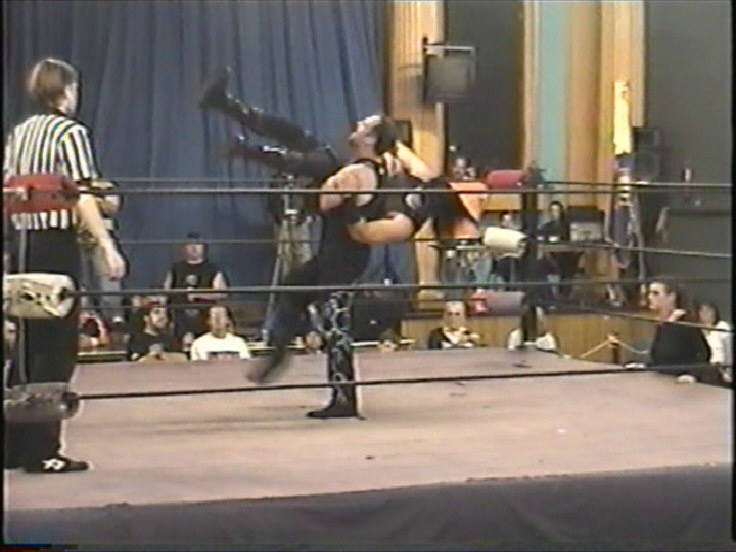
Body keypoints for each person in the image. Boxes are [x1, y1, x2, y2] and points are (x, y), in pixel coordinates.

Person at [3, 58, 126, 473]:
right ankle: (44, 450)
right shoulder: (69, 132)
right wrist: (107, 246)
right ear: (65, 90)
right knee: (56, 348)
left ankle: (14, 446)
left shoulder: (20, 132)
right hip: (55, 246)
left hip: (22, 245)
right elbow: (83, 194)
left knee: (27, 344)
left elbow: (12, 189)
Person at [163, 232, 228, 347]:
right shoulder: (176, 268)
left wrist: (198, 294)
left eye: (198, 244)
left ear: (203, 247)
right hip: (180, 317)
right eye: (190, 244)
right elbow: (166, 291)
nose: (194, 248)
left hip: (204, 317)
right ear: (184, 248)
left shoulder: (212, 268)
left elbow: (222, 293)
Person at [644, 279, 710, 381]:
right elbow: (660, 356)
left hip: (681, 383)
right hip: (663, 380)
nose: (650, 297)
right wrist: (645, 366)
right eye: (650, 293)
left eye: (655, 293)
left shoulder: (684, 322)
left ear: (671, 296)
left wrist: (692, 375)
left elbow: (704, 353)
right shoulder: (662, 324)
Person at [698, 302, 733, 384]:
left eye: (708, 311)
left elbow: (728, 350)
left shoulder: (722, 326)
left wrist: (728, 372)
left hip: (720, 368)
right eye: (702, 311)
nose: (705, 314)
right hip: (704, 368)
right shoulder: (697, 330)